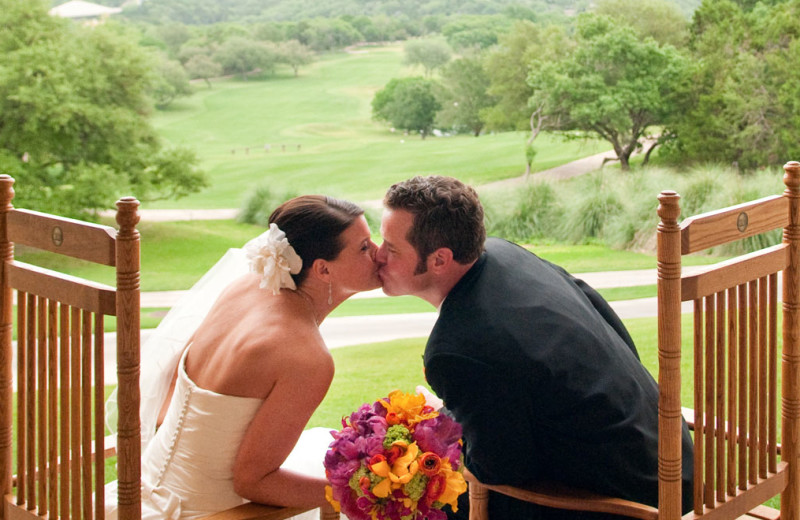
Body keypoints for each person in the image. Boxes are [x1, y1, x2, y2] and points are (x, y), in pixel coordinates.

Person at [375, 175, 694, 520]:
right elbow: (607, 322)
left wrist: (440, 431)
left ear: (439, 260)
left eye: (391, 248)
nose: (378, 256)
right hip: (674, 467)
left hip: (629, 506)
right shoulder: (504, 255)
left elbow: (503, 470)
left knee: (413, 498)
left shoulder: (456, 349)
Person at [106, 195, 380, 519]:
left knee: (320, 446)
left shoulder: (246, 287)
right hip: (209, 512)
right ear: (322, 269)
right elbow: (252, 482)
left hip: (135, 496)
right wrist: (364, 493)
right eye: (364, 247)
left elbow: (167, 403)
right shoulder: (307, 358)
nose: (378, 252)